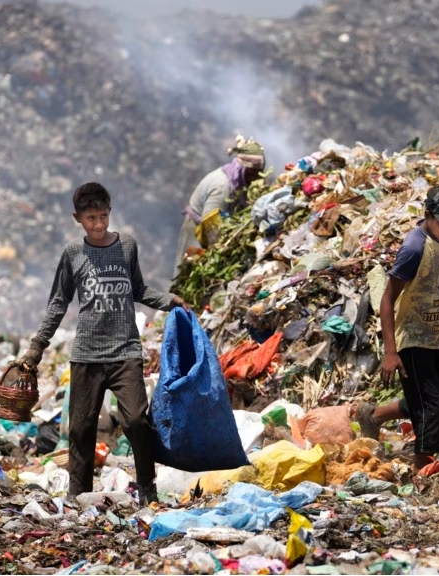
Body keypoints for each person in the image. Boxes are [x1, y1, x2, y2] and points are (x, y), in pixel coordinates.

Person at [17, 182, 188, 504]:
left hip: (125, 350)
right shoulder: (73, 253)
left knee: (136, 420)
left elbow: (137, 290)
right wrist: (37, 345)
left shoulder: (126, 246)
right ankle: (77, 494)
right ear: (77, 218)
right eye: (91, 218)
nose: (98, 224)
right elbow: (58, 302)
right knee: (80, 428)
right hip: (87, 353)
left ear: (110, 213)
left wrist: (169, 301)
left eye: (104, 216)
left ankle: (147, 490)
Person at [355, 186, 439, 471]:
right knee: (434, 408)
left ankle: (374, 415)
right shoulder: (414, 248)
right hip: (412, 337)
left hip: (438, 331)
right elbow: (388, 298)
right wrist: (391, 352)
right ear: (428, 215)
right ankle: (421, 475)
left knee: (433, 397)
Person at [174, 137, 266, 276]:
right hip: (197, 231)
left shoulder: (237, 182)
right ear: (241, 169)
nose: (256, 178)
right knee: (189, 272)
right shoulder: (223, 187)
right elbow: (209, 228)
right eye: (252, 173)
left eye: (259, 173)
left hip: (210, 227)